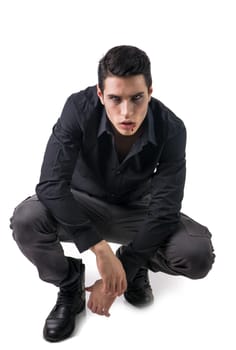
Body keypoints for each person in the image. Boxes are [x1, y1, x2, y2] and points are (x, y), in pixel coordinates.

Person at [10, 45, 215, 342]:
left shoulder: (172, 128)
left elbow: (165, 207)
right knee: (27, 219)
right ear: (100, 94)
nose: (126, 112)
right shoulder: (78, 109)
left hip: (136, 211)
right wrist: (99, 248)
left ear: (150, 92)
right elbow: (51, 185)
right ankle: (70, 287)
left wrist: (126, 265)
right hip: (82, 205)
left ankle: (134, 264)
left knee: (196, 255)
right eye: (115, 99)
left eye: (137, 98)